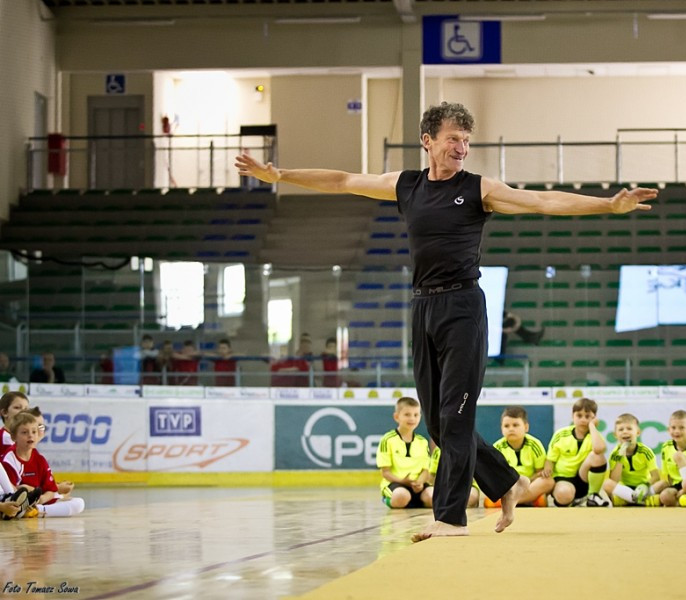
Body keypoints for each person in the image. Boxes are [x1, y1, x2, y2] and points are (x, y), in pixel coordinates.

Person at [235, 101, 655, 540]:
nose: (462, 148)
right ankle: (508, 482)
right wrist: (281, 176)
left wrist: (608, 205)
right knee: (437, 422)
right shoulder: (406, 185)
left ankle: (450, 518)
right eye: (454, 139)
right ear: (428, 141)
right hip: (422, 308)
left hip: (463, 309)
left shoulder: (479, 189)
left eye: (467, 141)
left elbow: (542, 201)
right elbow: (342, 179)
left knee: (455, 418)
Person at [542, 397, 609, 507]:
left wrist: (592, 426)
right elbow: (550, 459)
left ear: (594, 418)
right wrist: (547, 474)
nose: (583, 419)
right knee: (564, 495)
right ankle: (570, 499)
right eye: (579, 415)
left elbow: (599, 449)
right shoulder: (561, 434)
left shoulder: (594, 436)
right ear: (572, 416)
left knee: (597, 456)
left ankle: (593, 495)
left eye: (587, 416)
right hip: (563, 479)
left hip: (583, 479)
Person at [20, 406, 84, 518]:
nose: (41, 431)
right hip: (20, 501)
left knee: (77, 502)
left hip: (37, 499)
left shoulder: (38, 457)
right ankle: (34, 510)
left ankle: (36, 510)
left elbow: (46, 488)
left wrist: (56, 489)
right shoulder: (13, 455)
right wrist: (57, 488)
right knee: (76, 503)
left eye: (42, 426)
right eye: (37, 426)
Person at [487, 406, 553, 507]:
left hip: (529, 484)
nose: (511, 429)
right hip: (508, 488)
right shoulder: (497, 448)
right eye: (506, 426)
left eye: (515, 425)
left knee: (548, 482)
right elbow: (495, 476)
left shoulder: (535, 444)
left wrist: (526, 482)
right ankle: (526, 500)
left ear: (526, 427)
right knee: (489, 501)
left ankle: (512, 502)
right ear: (501, 429)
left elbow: (540, 472)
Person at [376, 397, 432, 509]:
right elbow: (385, 472)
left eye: (416, 415)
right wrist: (403, 481)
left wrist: (420, 483)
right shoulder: (387, 440)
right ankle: (389, 499)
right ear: (397, 417)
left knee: (434, 497)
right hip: (396, 484)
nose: (412, 418)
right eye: (407, 414)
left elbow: (426, 471)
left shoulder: (422, 442)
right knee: (401, 496)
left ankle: (417, 501)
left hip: (417, 485)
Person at [602, 413, 661, 506]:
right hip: (625, 489)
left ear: (638, 432)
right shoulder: (614, 454)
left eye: (629, 429)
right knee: (606, 484)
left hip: (644, 488)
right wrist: (620, 458)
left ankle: (630, 500)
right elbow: (614, 480)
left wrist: (645, 486)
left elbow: (656, 476)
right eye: (621, 429)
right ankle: (640, 500)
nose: (625, 432)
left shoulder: (645, 451)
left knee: (663, 484)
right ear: (615, 435)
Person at [655, 409, 686, 507]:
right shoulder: (666, 447)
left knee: (678, 456)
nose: (677, 431)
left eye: (682, 428)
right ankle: (682, 502)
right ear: (668, 429)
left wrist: (685, 490)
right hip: (677, 486)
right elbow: (667, 477)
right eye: (673, 428)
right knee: (664, 495)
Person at [429, 443, 478, 508]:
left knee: (472, 496)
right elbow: (432, 476)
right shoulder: (438, 450)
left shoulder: (469, 448)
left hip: (466, 487)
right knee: (432, 496)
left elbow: (474, 476)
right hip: (444, 487)